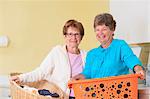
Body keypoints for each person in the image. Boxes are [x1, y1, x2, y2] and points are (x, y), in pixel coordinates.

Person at [11, 19, 86, 98]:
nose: (73, 37)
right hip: (60, 96)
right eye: (70, 34)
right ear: (65, 36)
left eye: (77, 34)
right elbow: (41, 72)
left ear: (81, 37)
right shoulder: (57, 52)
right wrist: (21, 78)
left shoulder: (86, 55)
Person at [73, 13, 145, 81]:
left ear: (112, 30)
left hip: (118, 92)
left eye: (104, 29)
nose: (100, 33)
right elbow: (87, 74)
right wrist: (78, 77)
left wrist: (138, 69)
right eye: (97, 30)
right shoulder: (91, 54)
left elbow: (130, 58)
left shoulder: (120, 46)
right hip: (96, 93)